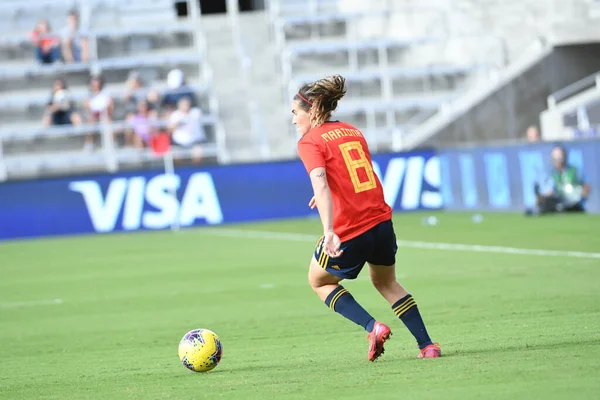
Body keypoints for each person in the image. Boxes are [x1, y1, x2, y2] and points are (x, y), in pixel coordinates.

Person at [293, 75, 440, 361]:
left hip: (351, 228)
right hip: (381, 221)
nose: (293, 119)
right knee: (387, 283)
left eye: (295, 113)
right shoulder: (352, 131)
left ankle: (373, 327)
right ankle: (427, 346)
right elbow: (352, 175)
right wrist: (329, 193)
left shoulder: (309, 141)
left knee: (319, 281)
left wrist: (329, 230)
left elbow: (321, 183)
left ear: (311, 111)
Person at [531, 146, 591, 214]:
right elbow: (551, 191)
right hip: (561, 204)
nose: (558, 162)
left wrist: (582, 196)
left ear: (565, 158)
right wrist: (542, 197)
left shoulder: (575, 171)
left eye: (560, 158)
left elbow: (586, 186)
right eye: (555, 159)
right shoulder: (553, 174)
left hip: (575, 204)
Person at [168, 97, 205, 163]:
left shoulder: (195, 112)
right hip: (178, 142)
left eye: (186, 104)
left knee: (198, 152)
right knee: (176, 154)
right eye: (183, 105)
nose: (185, 106)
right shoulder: (175, 115)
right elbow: (170, 129)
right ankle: (183, 171)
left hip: (195, 141)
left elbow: (197, 118)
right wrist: (177, 124)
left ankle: (195, 169)